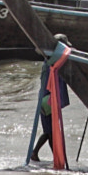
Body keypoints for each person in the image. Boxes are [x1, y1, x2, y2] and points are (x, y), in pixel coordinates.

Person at [31, 32, 72, 163]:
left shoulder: (50, 59)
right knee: (50, 131)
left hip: (46, 98)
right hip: (47, 99)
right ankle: (55, 158)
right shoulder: (54, 61)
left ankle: (37, 153)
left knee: (50, 130)